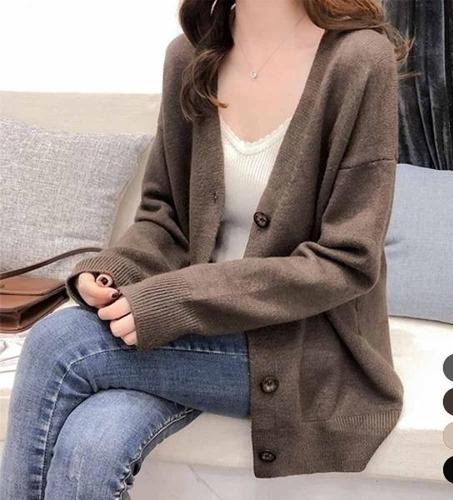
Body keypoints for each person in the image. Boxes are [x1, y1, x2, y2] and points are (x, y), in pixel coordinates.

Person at [0, 0, 412, 498]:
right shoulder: (191, 56)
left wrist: (175, 301)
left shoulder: (357, 60)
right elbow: (166, 217)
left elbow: (346, 261)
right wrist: (113, 270)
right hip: (195, 330)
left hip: (299, 345)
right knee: (92, 445)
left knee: (58, 342)